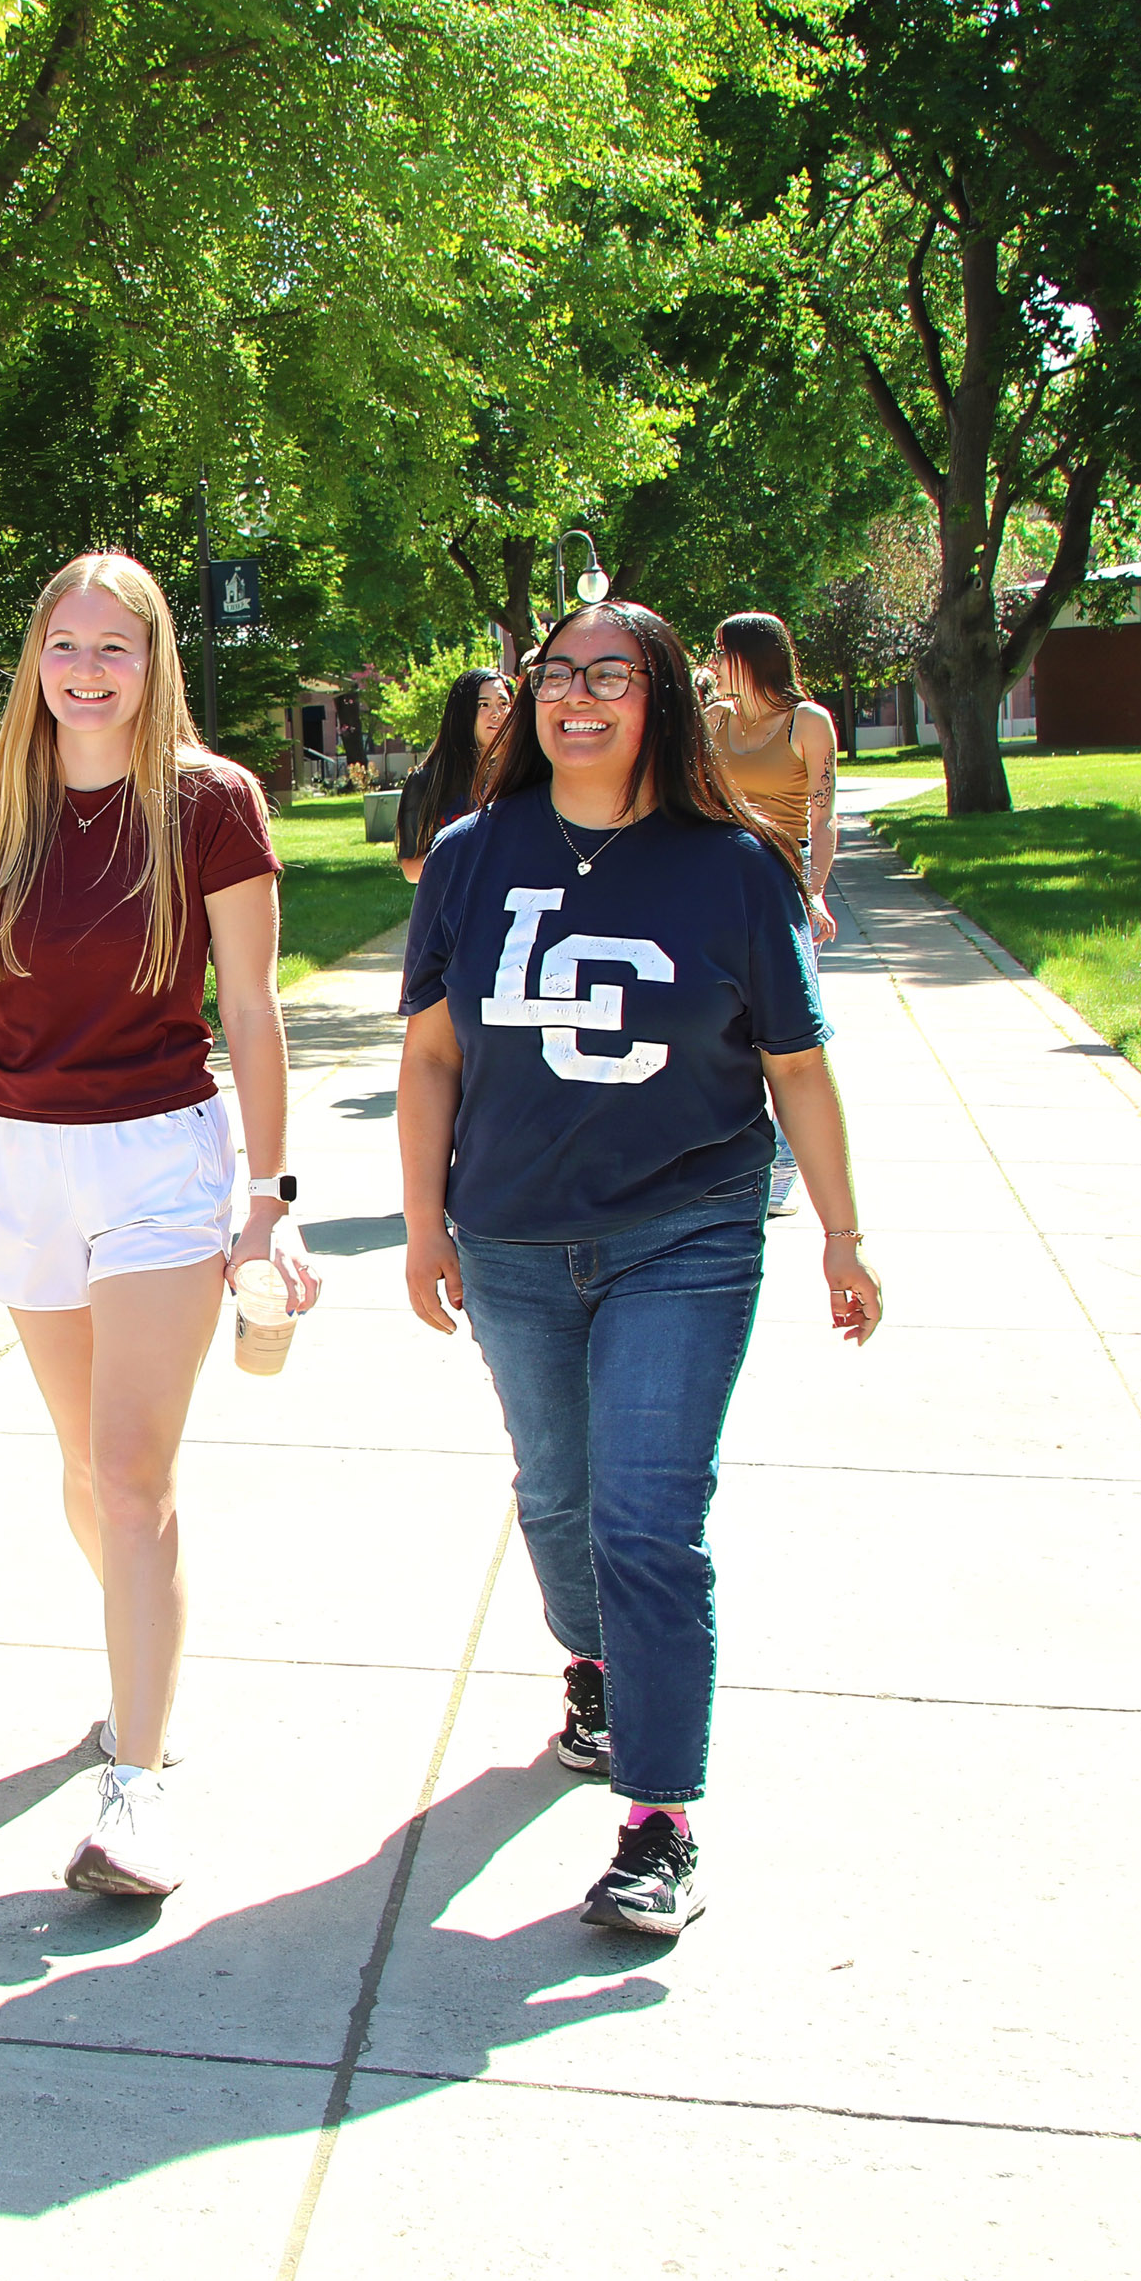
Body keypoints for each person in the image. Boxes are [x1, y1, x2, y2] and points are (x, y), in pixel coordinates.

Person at [394, 598, 882, 1937]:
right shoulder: (468, 856)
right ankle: (596, 1667)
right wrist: (423, 1222)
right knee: (558, 1497)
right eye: (559, 673)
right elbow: (432, 1055)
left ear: (665, 696)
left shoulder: (732, 867)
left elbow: (797, 1062)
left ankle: (659, 1818)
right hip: (506, 1233)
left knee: (648, 1519)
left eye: (611, 674)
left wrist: (842, 1231)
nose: (578, 695)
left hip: (689, 1227)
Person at [0, 549, 320, 1898]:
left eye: (114, 648)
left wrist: (268, 1202)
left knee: (134, 1475)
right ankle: (144, 1652)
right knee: (88, 1475)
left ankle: (135, 1785)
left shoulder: (212, 804)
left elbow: (250, 1007)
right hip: (25, 1159)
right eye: (64, 645)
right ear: (37, 659)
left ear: (153, 664)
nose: (85, 671)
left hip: (158, 1160)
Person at [705, 611, 843, 1214]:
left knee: (786, 1037)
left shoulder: (807, 723)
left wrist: (812, 891)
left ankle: (786, 1165)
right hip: (715, 890)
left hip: (780, 888)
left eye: (721, 652)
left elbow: (822, 816)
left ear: (750, 657)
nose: (713, 664)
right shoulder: (713, 722)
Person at [394, 667, 515, 884]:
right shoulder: (428, 781)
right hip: (453, 910)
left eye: (503, 703)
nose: (496, 712)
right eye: (483, 704)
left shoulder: (524, 776)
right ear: (462, 714)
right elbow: (411, 869)